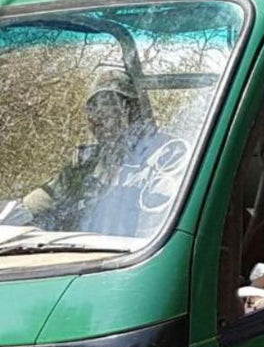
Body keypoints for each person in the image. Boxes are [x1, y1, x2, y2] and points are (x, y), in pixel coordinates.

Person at [22, 66, 188, 239]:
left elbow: (160, 231)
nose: (98, 120)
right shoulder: (88, 163)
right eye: (93, 111)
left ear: (132, 111)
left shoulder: (168, 157)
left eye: (108, 109)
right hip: (81, 255)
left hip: (134, 257)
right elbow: (38, 203)